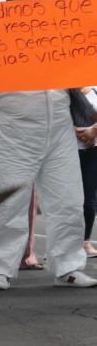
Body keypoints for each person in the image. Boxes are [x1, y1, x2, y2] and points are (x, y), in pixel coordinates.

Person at [0, 0, 96, 290]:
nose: (32, 0)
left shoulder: (59, 36)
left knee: (68, 202)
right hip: (15, 134)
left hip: (59, 132)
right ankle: (0, 270)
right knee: (11, 202)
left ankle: (69, 268)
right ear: (9, 5)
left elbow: (83, 78)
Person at [0, 85, 41, 269]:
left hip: (27, 157)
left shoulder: (26, 92)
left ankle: (27, 255)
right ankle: (2, 259)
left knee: (29, 208)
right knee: (2, 210)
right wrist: (18, 127)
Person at [77, 87, 97, 257]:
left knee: (88, 198)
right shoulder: (64, 91)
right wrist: (75, 131)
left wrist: (93, 131)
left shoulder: (94, 90)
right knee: (67, 199)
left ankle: (85, 241)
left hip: (93, 151)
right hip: (68, 149)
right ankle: (63, 243)